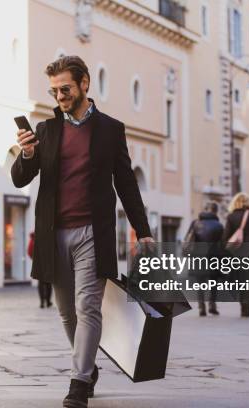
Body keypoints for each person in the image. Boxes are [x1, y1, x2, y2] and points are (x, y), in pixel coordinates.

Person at [11, 55, 154, 408]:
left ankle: (78, 382)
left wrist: (143, 229)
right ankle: (89, 369)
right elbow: (19, 178)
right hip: (54, 233)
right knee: (66, 312)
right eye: (55, 90)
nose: (59, 95)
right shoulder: (46, 131)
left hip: (93, 232)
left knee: (88, 306)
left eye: (66, 88)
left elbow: (125, 183)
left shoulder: (110, 129)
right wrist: (27, 153)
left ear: (84, 83)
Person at [222, 193, 249, 317]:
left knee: (241, 279)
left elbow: (225, 238)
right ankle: (246, 302)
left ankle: (243, 303)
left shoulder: (231, 217)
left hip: (238, 254)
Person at [183, 202, 224, 316]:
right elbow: (223, 244)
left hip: (198, 256)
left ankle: (201, 307)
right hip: (214, 256)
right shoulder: (219, 225)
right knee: (214, 282)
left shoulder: (195, 223)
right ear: (215, 212)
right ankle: (212, 305)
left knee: (200, 283)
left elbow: (187, 239)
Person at [28, 231, 52, 308]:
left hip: (38, 264)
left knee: (41, 283)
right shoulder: (46, 237)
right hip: (47, 263)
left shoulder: (33, 238)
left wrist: (34, 259)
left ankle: (42, 302)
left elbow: (29, 251)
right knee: (48, 283)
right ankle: (47, 301)